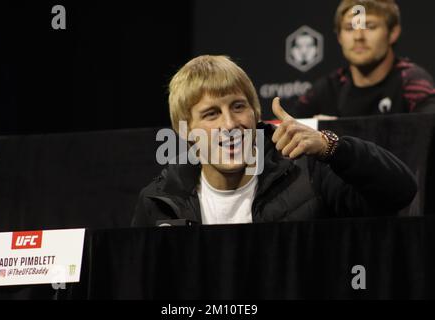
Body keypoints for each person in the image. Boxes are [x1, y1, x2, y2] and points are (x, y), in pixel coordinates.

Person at [131, 55, 417, 227]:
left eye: (238, 107)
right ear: (185, 130)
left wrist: (331, 147)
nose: (230, 124)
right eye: (211, 114)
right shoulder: (159, 201)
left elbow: (400, 192)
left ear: (256, 113)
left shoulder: (307, 173)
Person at [290, 0, 435, 119]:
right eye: (349, 28)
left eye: (369, 26)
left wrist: (337, 135)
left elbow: (426, 141)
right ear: (339, 37)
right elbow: (283, 140)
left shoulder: (411, 83)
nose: (358, 36)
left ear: (393, 33)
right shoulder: (327, 89)